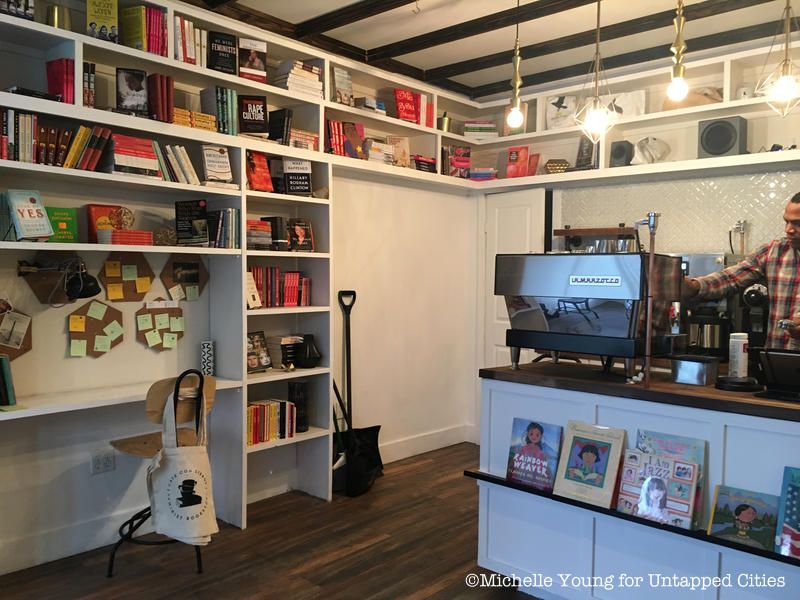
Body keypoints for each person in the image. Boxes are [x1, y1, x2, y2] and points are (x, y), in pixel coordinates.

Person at [683, 194, 800, 350]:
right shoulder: (774, 252)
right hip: (778, 359)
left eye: (798, 223)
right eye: (786, 222)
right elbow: (730, 278)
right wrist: (693, 286)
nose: (788, 230)